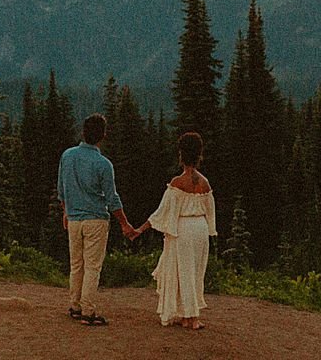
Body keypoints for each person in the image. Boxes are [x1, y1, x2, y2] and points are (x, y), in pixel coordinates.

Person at [57, 112, 137, 326]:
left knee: (76, 264)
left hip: (74, 218)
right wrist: (124, 223)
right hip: (96, 220)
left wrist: (66, 211)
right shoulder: (103, 164)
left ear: (83, 132)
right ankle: (88, 311)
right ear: (102, 136)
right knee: (93, 266)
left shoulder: (67, 156)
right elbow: (112, 199)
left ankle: (75, 306)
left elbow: (61, 190)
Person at [136, 131, 217, 329]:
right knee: (195, 272)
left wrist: (139, 229)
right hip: (200, 229)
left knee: (184, 272)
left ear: (181, 155)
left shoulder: (177, 183)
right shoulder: (205, 183)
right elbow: (210, 211)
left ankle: (192, 316)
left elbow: (161, 212)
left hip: (184, 229)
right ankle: (188, 314)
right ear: (199, 155)